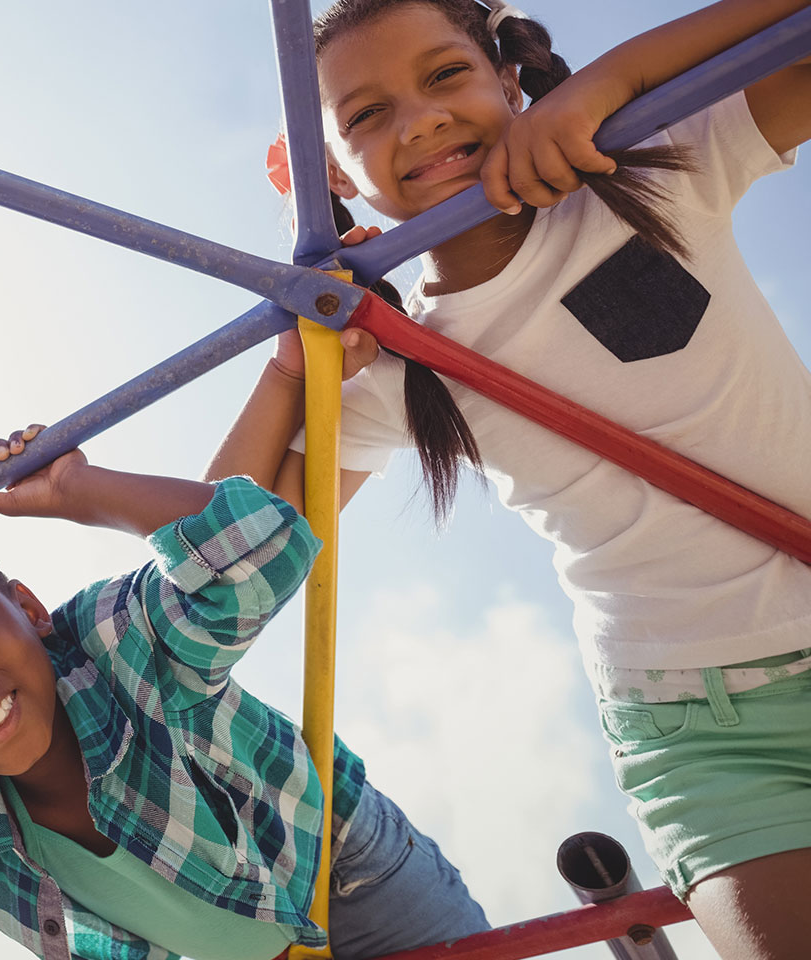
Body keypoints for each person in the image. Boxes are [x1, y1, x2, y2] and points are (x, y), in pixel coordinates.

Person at [209, 1, 811, 955]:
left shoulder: (650, 170)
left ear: (507, 77)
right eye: (366, 116)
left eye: (446, 76)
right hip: (696, 723)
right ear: (332, 177)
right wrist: (293, 358)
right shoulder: (393, 367)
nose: (419, 120)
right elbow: (228, 554)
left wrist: (611, 83)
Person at [0, 426, 490, 959]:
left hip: (349, 877)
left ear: (29, 610)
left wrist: (80, 490)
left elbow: (269, 545)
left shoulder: (113, 644)